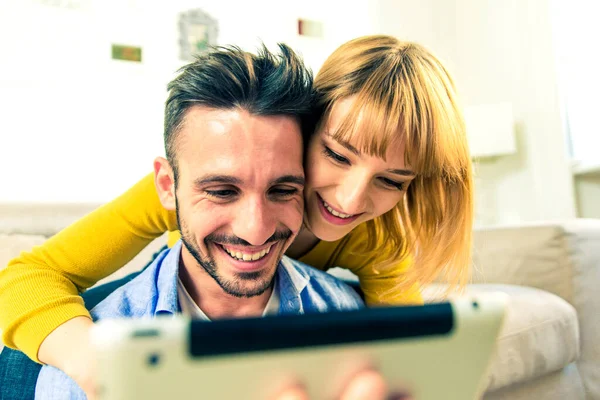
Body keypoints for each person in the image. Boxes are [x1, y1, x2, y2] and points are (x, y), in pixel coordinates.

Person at [0, 34, 473, 389]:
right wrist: (95, 363)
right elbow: (28, 276)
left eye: (390, 180)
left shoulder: (379, 244)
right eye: (337, 154)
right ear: (307, 128)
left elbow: (414, 363)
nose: (349, 200)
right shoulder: (182, 187)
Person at [31, 44, 369, 399]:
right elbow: (30, 275)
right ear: (166, 185)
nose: (256, 230)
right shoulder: (89, 361)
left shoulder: (345, 315)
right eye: (222, 191)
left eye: (282, 190)